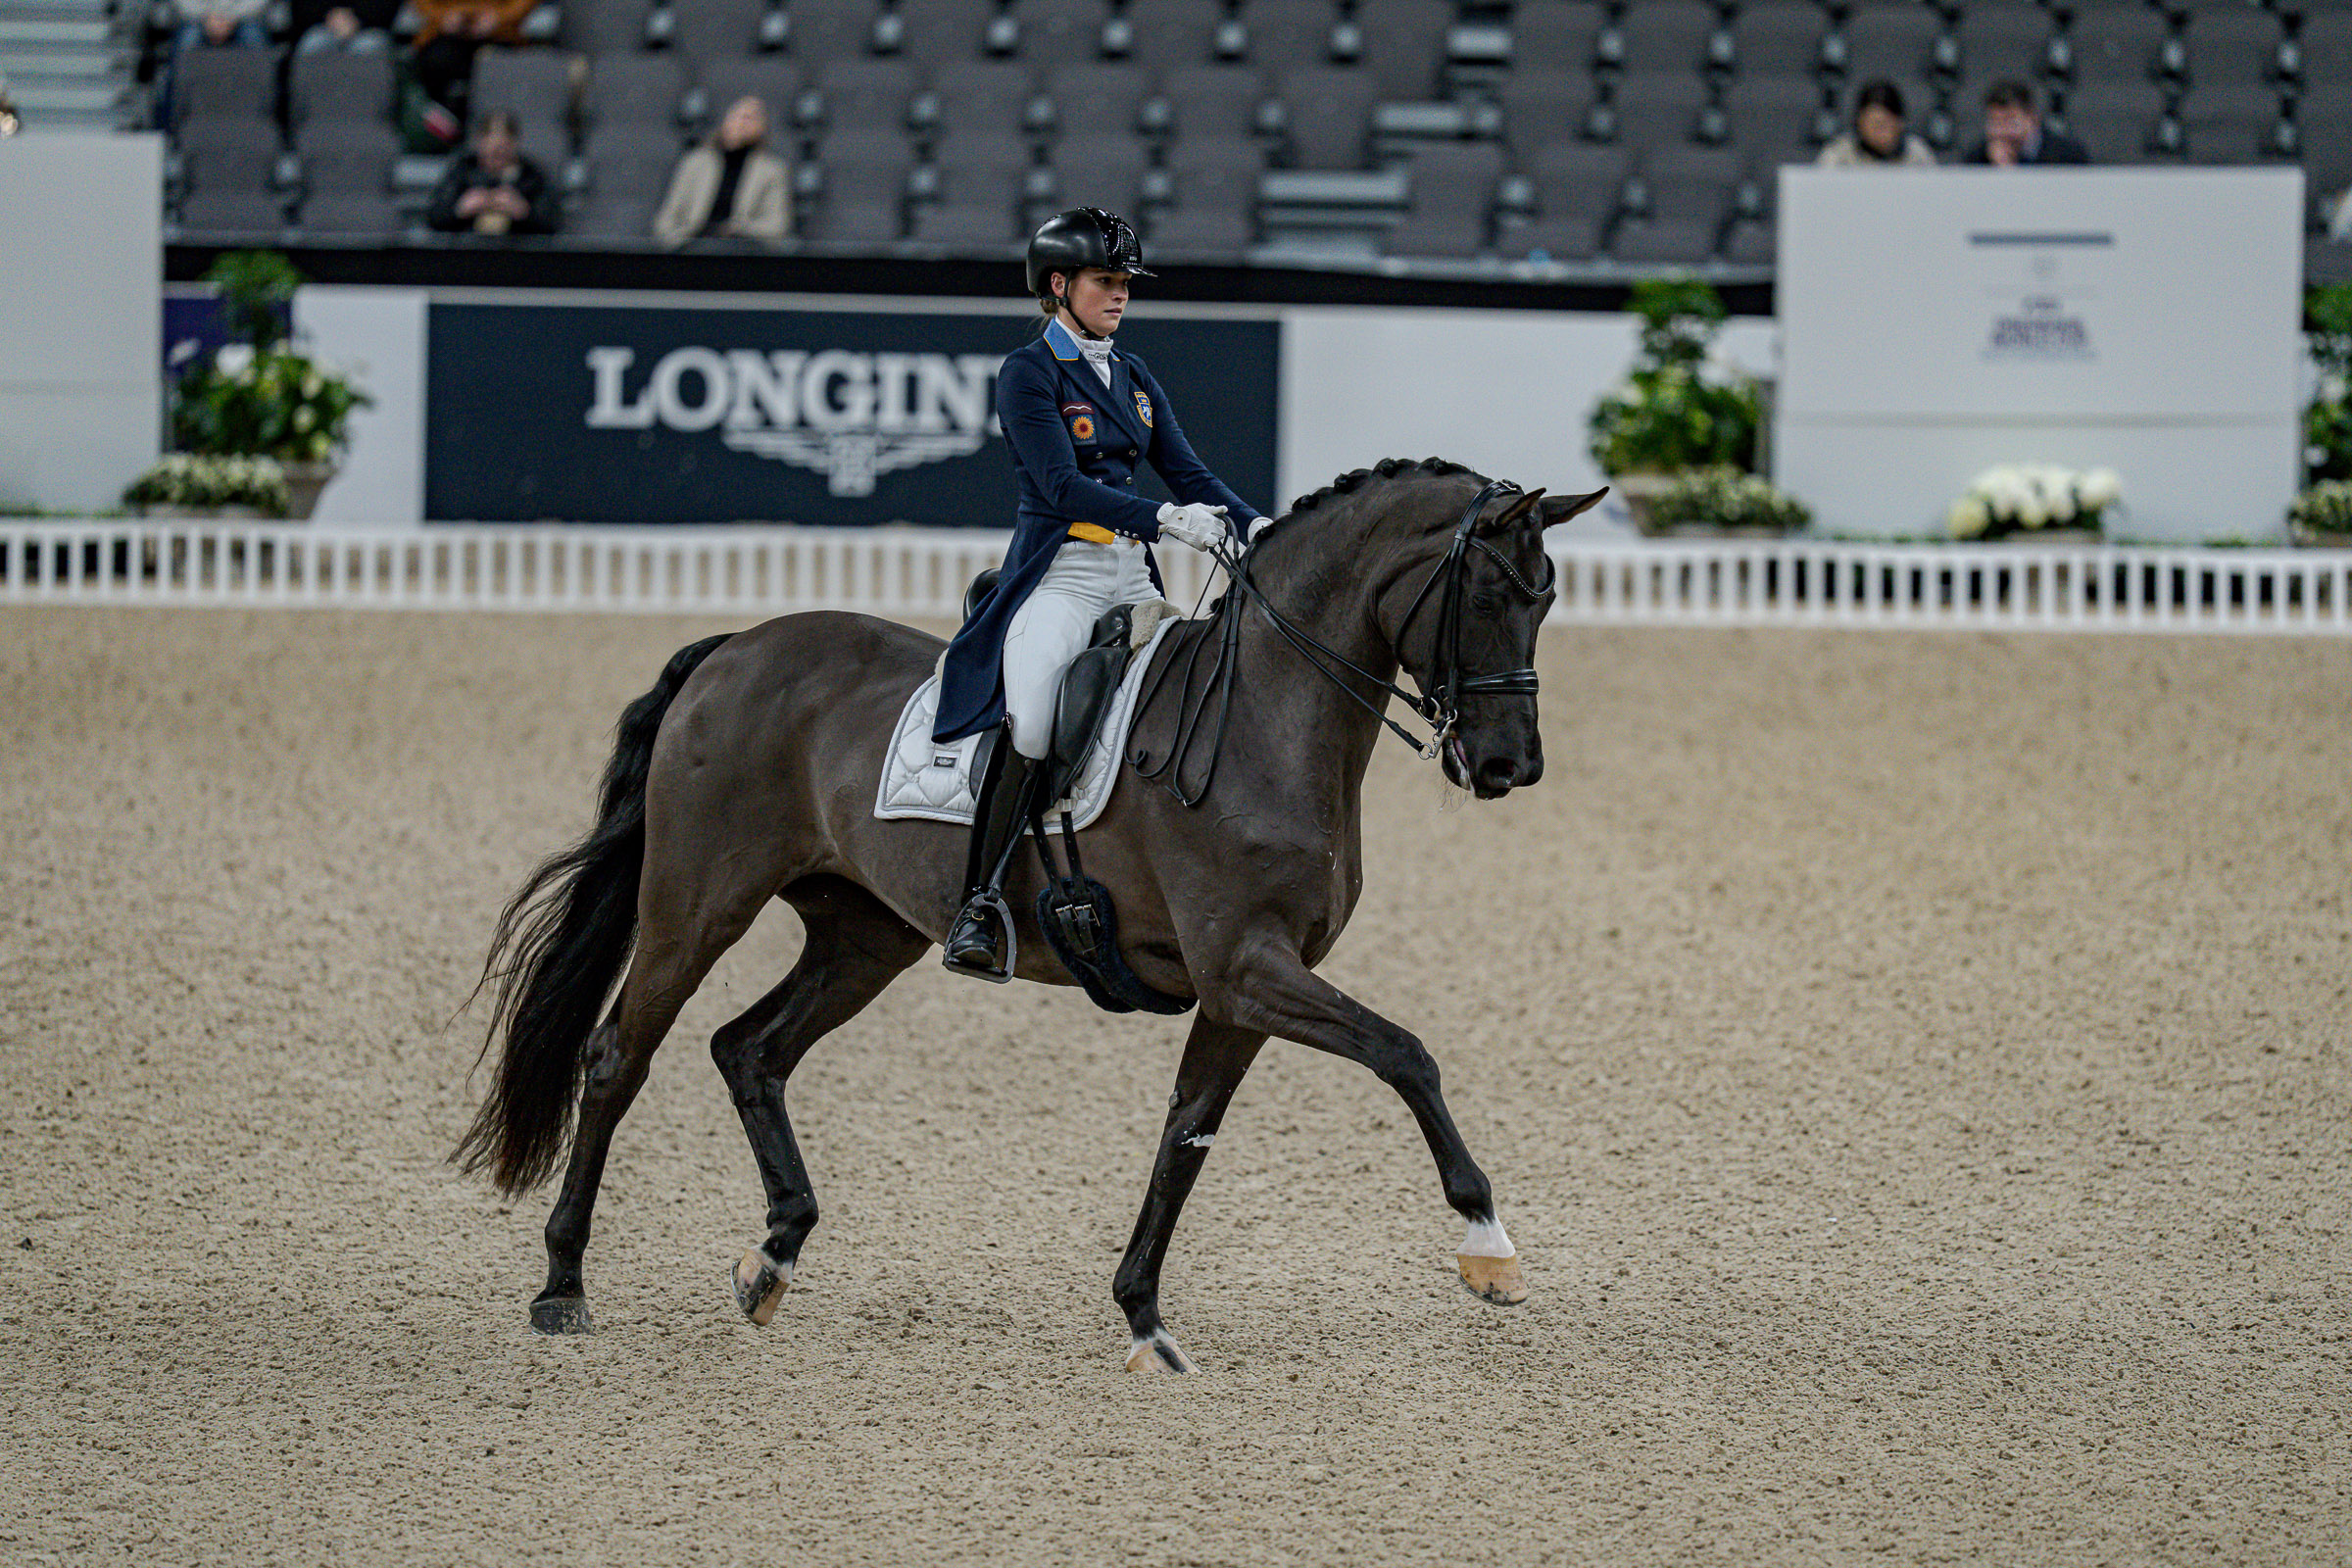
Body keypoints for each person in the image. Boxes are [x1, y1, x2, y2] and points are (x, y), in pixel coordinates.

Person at [931, 207, 1263, 979]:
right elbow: (1060, 485)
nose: (1120, 295)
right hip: (1064, 574)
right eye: (1105, 281)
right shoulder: (1029, 372)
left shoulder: (1135, 376)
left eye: (1125, 283)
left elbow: (1188, 472)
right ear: (1059, 285)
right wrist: (1163, 518)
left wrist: (1258, 525)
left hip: (1132, 576)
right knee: (1034, 718)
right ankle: (980, 903)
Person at [652, 95, 791, 249]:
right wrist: (679, 241)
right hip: (693, 246)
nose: (743, 122)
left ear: (762, 127)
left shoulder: (771, 170)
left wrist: (739, 229)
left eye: (751, 118)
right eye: (739, 116)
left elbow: (777, 225)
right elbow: (666, 219)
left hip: (742, 249)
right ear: (726, 120)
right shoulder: (695, 162)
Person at [425, 109, 559, 235]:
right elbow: (434, 217)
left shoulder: (532, 176)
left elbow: (552, 222)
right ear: (480, 143)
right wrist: (459, 209)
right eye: (492, 150)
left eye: (503, 149)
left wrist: (526, 213)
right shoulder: (462, 171)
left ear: (514, 144)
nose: (497, 156)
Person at [409, 0, 541, 118]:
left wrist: (499, 18)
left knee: (506, 70)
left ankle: (498, 128)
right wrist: (443, 17)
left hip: (501, 35)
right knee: (435, 63)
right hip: (443, 35)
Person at [157, 0, 270, 127]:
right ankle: (173, 124)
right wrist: (206, 17)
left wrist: (233, 17)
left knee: (254, 41)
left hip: (244, 16)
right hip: (197, 17)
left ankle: (266, 122)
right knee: (186, 43)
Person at [1964, 80, 2090, 167]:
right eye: (1995, 122)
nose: (2002, 131)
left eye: (2010, 121)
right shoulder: (1977, 158)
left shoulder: (2068, 155)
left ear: (2032, 118)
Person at [1816, 79, 1936, 167]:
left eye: (1884, 124)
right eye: (1873, 124)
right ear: (1859, 123)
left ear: (1901, 123)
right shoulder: (1838, 154)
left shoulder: (1917, 155)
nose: (1879, 132)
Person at [291, 0, 398, 55]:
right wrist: (330, 16)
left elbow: (388, 9)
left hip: (369, 27)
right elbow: (301, 8)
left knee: (367, 47)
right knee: (313, 43)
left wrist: (357, 19)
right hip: (324, 25)